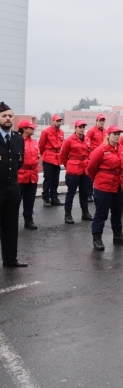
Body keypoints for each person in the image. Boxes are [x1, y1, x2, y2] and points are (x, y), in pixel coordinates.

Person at [87, 125, 123, 251]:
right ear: (108, 135)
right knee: (101, 213)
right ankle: (97, 238)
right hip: (104, 186)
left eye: (118, 134)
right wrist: (98, 180)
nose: (117, 136)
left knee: (117, 212)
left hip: (119, 185)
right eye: (114, 134)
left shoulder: (121, 149)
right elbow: (91, 168)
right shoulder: (101, 150)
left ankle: (117, 235)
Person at [0, 103, 26, 267]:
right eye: (4, 116)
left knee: (11, 225)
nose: (8, 118)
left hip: (12, 187)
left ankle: (10, 259)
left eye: (10, 116)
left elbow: (19, 163)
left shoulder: (18, 138)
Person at [60, 119, 93, 224]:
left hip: (84, 170)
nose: (82, 129)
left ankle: (85, 212)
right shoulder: (69, 140)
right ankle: (68, 214)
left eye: (83, 127)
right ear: (75, 128)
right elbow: (63, 156)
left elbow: (89, 153)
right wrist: (69, 166)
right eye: (80, 127)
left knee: (84, 192)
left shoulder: (87, 139)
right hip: (73, 171)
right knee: (71, 193)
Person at [39, 113, 64, 207]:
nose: (59, 122)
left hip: (57, 157)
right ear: (52, 121)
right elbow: (41, 145)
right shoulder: (46, 132)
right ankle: (46, 198)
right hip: (49, 157)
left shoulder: (61, 132)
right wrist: (44, 155)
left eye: (60, 121)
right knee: (48, 179)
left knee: (55, 179)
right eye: (57, 121)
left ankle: (54, 197)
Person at [18, 120, 39, 230]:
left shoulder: (34, 142)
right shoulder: (18, 141)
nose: (33, 129)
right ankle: (10, 222)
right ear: (24, 129)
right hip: (20, 175)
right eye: (31, 127)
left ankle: (28, 220)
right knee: (15, 201)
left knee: (30, 200)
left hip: (32, 175)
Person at [85, 114, 107, 202]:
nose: (101, 122)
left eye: (103, 120)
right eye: (100, 120)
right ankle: (89, 194)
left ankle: (100, 192)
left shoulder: (106, 131)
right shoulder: (91, 131)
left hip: (104, 157)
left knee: (101, 175)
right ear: (96, 121)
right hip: (94, 156)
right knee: (91, 175)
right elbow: (86, 142)